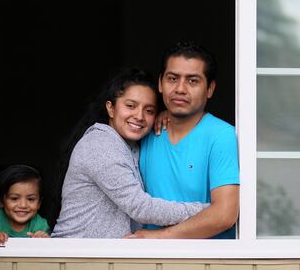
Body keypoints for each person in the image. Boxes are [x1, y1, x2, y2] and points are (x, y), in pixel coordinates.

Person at [51, 68, 208, 238]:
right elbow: (140, 207)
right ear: (111, 108)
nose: (139, 116)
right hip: (76, 255)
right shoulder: (100, 143)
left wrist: (168, 115)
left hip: (102, 257)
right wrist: (211, 211)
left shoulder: (131, 147)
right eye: (130, 106)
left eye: (149, 110)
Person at [126, 42, 239, 239]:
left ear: (210, 89)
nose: (180, 89)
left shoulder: (221, 136)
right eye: (172, 78)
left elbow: (224, 215)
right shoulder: (144, 130)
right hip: (147, 259)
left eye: (193, 81)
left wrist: (161, 237)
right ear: (160, 83)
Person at [0, 165, 50, 245]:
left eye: (31, 199)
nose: (23, 205)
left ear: (39, 203)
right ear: (1, 201)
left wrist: (45, 239)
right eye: (14, 198)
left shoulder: (40, 225)